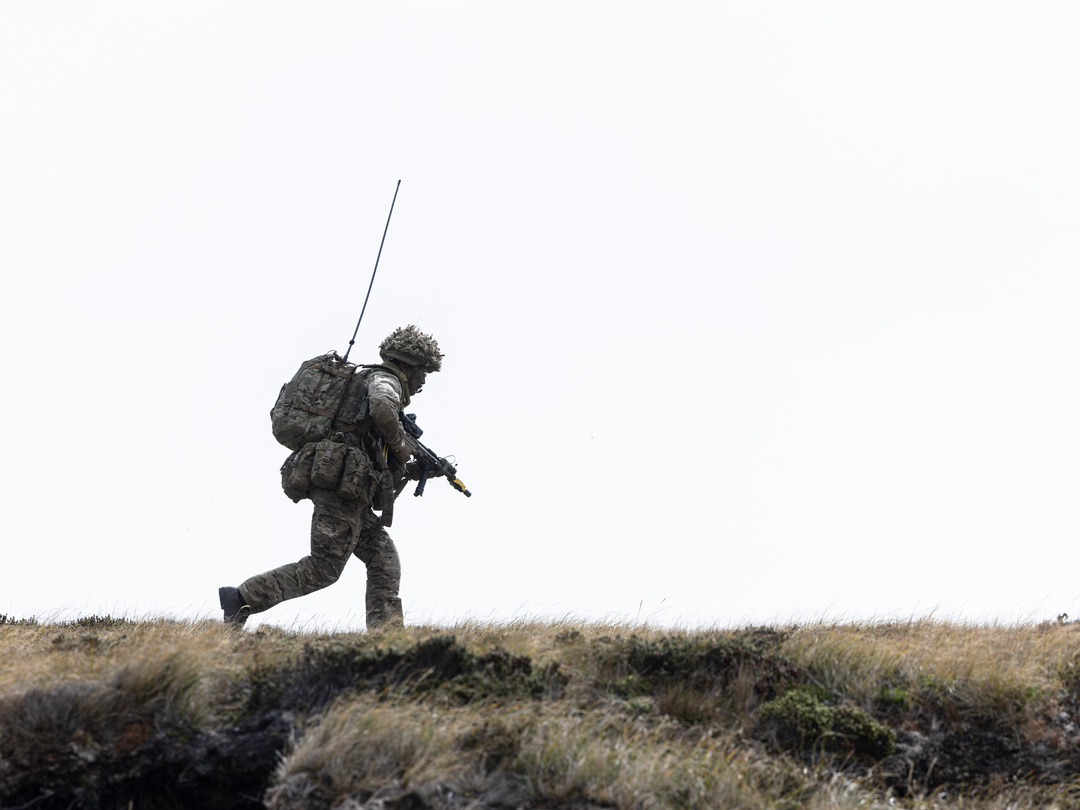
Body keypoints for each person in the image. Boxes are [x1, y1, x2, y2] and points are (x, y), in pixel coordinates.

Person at [219, 325, 443, 629]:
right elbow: (381, 406)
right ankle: (242, 598)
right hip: (341, 487)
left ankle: (387, 635)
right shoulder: (384, 380)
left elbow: (379, 463)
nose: (423, 382)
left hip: (352, 491)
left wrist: (414, 468)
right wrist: (402, 447)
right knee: (323, 569)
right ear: (407, 366)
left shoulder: (370, 385)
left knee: (383, 558)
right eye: (423, 373)